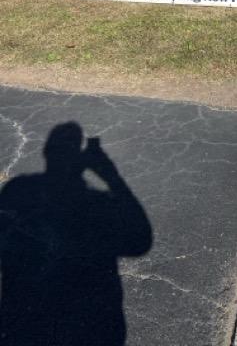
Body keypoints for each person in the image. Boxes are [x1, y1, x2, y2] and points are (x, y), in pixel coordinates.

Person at [0, 122, 152, 346]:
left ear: (46, 152)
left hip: (21, 321)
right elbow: (140, 242)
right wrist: (111, 176)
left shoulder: (17, 188)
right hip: (91, 322)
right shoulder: (99, 202)